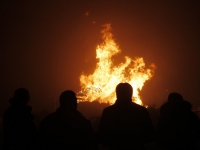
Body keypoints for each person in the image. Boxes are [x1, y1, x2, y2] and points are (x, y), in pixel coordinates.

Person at [98, 83, 154, 150]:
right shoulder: (141, 111)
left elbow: (102, 138)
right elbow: (150, 136)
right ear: (131, 94)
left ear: (117, 94)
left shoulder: (108, 112)